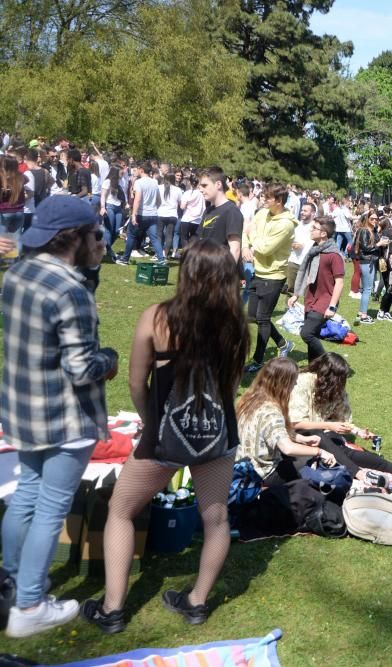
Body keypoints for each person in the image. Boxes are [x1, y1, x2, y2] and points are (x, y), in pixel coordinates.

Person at [80, 240, 247, 634]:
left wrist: (151, 422)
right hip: (217, 433)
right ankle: (197, 602)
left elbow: (137, 384)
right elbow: (233, 384)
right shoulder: (237, 325)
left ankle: (113, 608)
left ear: (186, 274)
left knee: (121, 510)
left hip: (166, 434)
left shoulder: (157, 318)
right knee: (216, 517)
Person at [1, 197, 118, 638]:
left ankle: (12, 583)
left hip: (22, 405)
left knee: (26, 497)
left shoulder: (18, 274)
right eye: (96, 235)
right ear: (76, 237)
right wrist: (110, 357)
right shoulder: (72, 291)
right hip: (64, 416)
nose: (100, 242)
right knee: (50, 508)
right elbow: (81, 367)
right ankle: (29, 604)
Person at [288, 352, 392, 480]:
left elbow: (341, 417)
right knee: (322, 437)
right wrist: (329, 425)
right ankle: (358, 474)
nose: (342, 383)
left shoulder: (336, 388)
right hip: (301, 433)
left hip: (325, 432)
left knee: (342, 451)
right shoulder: (302, 382)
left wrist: (358, 431)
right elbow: (295, 423)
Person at [236, 358, 337, 484]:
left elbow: (270, 432)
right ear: (283, 383)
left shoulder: (250, 398)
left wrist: (300, 438)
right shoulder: (271, 411)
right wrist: (319, 452)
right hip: (262, 474)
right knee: (313, 463)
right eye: (293, 382)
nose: (295, 385)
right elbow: (287, 448)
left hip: (242, 464)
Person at [243, 185, 296, 373]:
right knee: (252, 316)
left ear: (279, 201)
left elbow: (265, 248)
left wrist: (252, 236)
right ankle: (283, 344)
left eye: (267, 197)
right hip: (258, 272)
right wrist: (245, 247)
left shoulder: (286, 224)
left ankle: (257, 361)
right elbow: (246, 228)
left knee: (263, 318)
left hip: (274, 276)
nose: (264, 200)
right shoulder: (263, 212)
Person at [289, 216, 344, 361]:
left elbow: (339, 283)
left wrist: (332, 307)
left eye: (314, 228)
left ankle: (329, 364)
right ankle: (314, 369)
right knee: (312, 336)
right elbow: (305, 274)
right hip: (311, 299)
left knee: (306, 334)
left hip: (324, 302)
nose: (311, 230)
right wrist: (296, 295)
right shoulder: (314, 250)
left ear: (324, 233)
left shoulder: (334, 255)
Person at [119, 161, 165, 265]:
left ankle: (125, 259)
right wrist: (154, 208)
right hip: (153, 215)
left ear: (142, 170)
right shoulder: (154, 182)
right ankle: (161, 259)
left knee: (131, 235)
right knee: (154, 238)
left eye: (138, 169)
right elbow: (159, 200)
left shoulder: (139, 182)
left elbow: (138, 199)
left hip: (141, 214)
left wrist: (134, 214)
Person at [197, 167, 242, 261]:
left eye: (204, 185)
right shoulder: (208, 210)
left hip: (223, 271)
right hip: (207, 268)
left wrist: (225, 274)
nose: (200, 190)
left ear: (218, 184)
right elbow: (200, 240)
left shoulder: (231, 211)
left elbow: (235, 250)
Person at [352, 214, 379, 324]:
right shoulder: (364, 230)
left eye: (376, 219)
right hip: (366, 261)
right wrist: (379, 244)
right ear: (367, 219)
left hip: (369, 261)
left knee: (366, 289)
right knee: (367, 289)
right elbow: (365, 247)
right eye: (372, 218)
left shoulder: (372, 230)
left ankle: (361, 313)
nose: (374, 220)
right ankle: (363, 315)